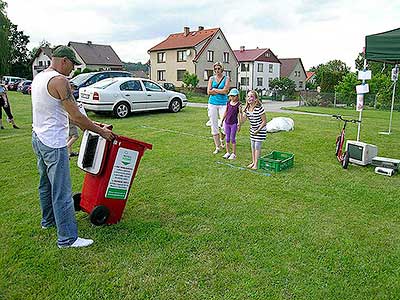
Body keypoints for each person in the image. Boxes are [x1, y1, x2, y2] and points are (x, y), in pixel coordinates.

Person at [31, 45, 115, 248]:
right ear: (63, 61)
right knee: (61, 190)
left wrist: (95, 125)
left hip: (38, 137)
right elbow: (76, 116)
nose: (74, 70)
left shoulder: (40, 77)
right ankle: (67, 238)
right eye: (73, 65)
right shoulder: (60, 81)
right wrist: (101, 131)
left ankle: (48, 221)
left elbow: (70, 113)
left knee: (45, 185)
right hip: (54, 142)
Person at [207, 62, 230, 154]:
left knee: (225, 125)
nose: (217, 70)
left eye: (219, 68)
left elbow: (225, 91)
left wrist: (215, 90)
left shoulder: (226, 78)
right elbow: (208, 91)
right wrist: (218, 91)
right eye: (215, 69)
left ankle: (222, 139)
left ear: (222, 69)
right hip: (212, 103)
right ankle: (217, 147)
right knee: (214, 124)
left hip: (223, 104)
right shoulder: (211, 79)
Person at [241, 90, 267, 169]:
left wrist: (258, 130)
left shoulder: (259, 108)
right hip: (253, 130)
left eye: (251, 96)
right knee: (252, 146)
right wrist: (240, 112)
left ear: (256, 99)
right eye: (248, 96)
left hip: (260, 130)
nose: (249, 98)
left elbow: (264, 121)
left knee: (257, 146)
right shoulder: (247, 109)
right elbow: (242, 121)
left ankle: (256, 164)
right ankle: (253, 162)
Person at [221, 88, 242, 160]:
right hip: (227, 123)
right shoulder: (228, 103)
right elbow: (226, 112)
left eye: (234, 96)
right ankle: (227, 152)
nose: (232, 97)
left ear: (237, 96)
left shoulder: (239, 105)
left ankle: (234, 153)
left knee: (232, 138)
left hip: (234, 124)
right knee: (227, 138)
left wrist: (239, 124)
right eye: (231, 96)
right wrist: (222, 121)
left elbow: (240, 114)